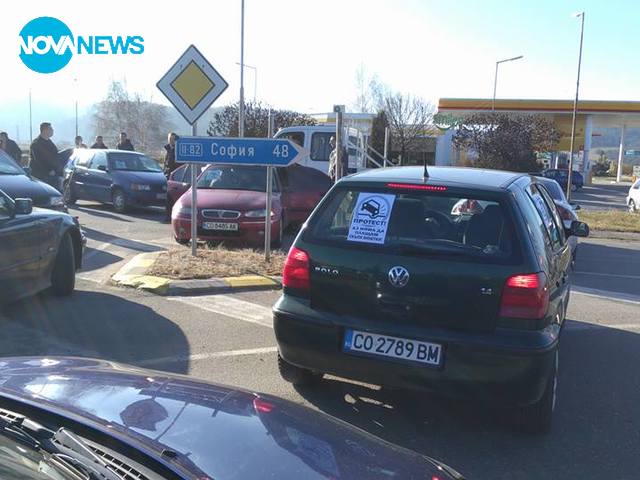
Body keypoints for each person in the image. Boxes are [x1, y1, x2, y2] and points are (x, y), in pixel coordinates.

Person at [30, 122, 62, 190]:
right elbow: (38, 160)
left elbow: (56, 156)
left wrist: (56, 169)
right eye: (50, 129)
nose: (52, 130)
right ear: (44, 130)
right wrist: (48, 171)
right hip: (40, 176)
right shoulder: (36, 143)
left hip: (53, 174)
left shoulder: (50, 143)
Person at [163, 132, 179, 222]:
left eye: (173, 139)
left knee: (173, 197)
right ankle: (167, 216)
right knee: (167, 198)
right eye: (170, 139)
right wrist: (164, 171)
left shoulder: (178, 151)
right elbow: (166, 163)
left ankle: (172, 217)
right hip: (168, 176)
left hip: (176, 177)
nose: (171, 141)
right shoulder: (167, 149)